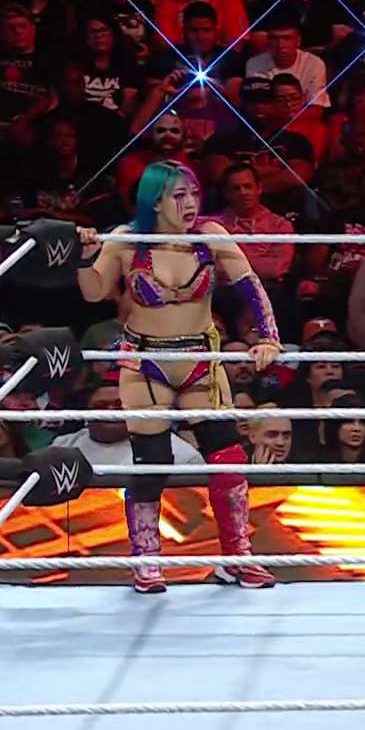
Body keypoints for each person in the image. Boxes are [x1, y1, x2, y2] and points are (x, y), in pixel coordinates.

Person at [76, 160, 283, 594]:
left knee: (228, 458)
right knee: (153, 463)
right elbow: (93, 293)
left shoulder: (210, 235)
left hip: (199, 358)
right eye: (179, 195)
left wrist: (269, 338)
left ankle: (237, 557)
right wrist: (85, 256)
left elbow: (250, 285)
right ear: (155, 201)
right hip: (145, 362)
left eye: (194, 193)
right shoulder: (128, 239)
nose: (190, 203)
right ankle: (147, 562)